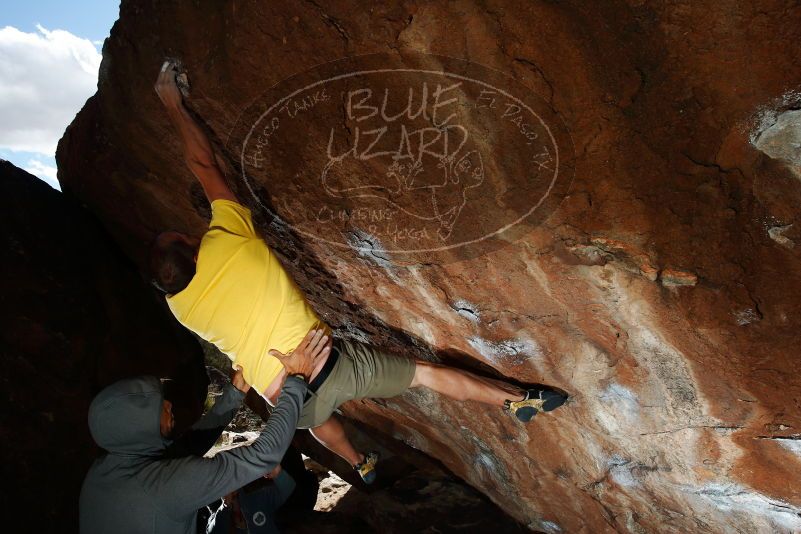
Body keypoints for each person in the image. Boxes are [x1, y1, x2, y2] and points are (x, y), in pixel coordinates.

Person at [151, 61, 568, 484]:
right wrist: (173, 103)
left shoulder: (181, 309)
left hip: (284, 401)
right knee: (424, 374)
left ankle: (358, 463)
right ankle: (516, 399)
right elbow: (203, 165)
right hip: (324, 364)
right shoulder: (228, 242)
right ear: (194, 248)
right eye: (187, 236)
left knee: (315, 417)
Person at [79, 328, 328, 534]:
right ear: (139, 429)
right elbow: (264, 456)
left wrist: (234, 394)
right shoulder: (164, 488)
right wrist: (297, 379)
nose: (169, 404)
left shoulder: (106, 470)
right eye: (159, 409)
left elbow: (189, 444)